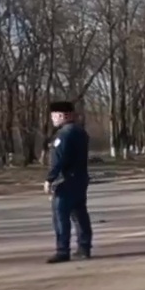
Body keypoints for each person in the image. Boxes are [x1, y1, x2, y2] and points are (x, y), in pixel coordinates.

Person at [44, 100, 93, 264]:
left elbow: (59, 158)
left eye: (54, 115)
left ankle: (62, 250)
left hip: (65, 181)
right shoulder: (80, 132)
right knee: (80, 214)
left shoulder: (64, 134)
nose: (53, 119)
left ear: (62, 115)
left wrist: (50, 178)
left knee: (60, 216)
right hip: (80, 178)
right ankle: (84, 247)